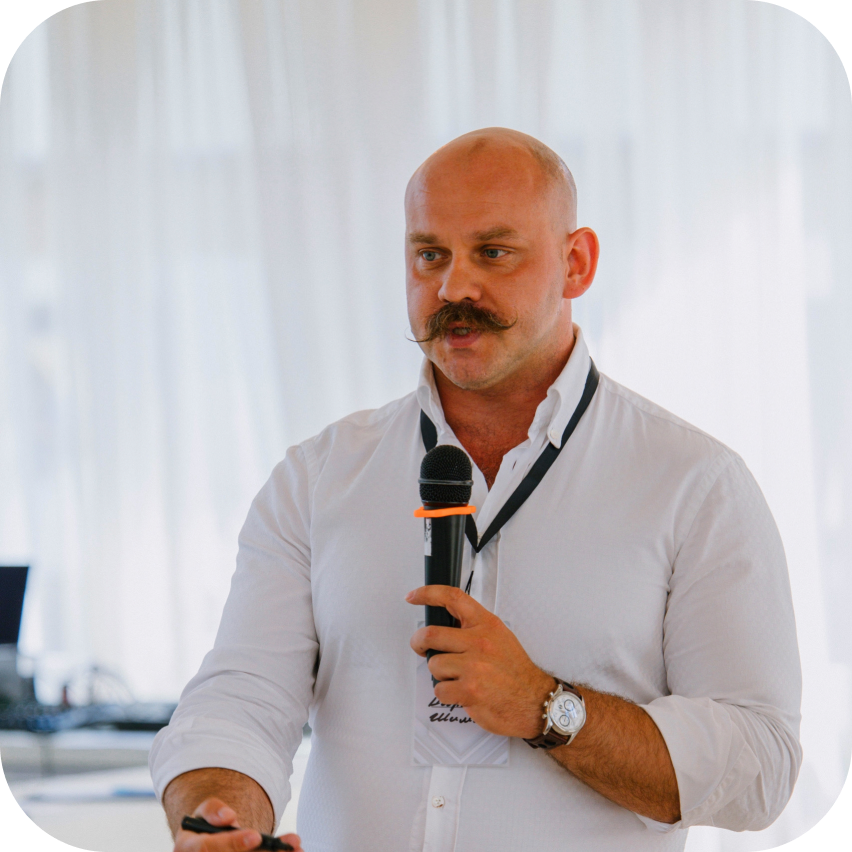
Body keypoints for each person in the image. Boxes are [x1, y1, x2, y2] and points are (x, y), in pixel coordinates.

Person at [150, 128, 802, 852]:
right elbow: (241, 699)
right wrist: (216, 814)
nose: (453, 288)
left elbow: (762, 766)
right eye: (430, 255)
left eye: (493, 252)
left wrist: (547, 708)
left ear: (576, 263)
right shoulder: (316, 478)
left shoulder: (696, 485)